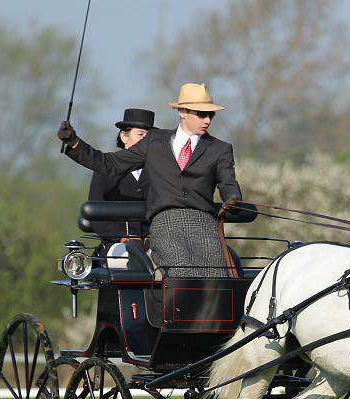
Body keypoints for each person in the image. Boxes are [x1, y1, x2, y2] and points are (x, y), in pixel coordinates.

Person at [58, 83, 241, 278]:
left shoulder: (220, 149)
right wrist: (74, 143)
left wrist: (233, 197)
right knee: (183, 271)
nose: (207, 120)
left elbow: (228, 181)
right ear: (182, 112)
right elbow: (109, 163)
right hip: (166, 225)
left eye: (210, 115)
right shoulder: (155, 142)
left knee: (219, 277)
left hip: (204, 225)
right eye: (201, 114)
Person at [87, 108, 154, 264]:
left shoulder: (160, 170)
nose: (145, 141)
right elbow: (97, 214)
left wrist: (154, 236)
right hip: (117, 243)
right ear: (124, 136)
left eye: (149, 136)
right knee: (131, 262)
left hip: (155, 242)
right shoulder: (105, 170)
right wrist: (123, 237)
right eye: (140, 135)